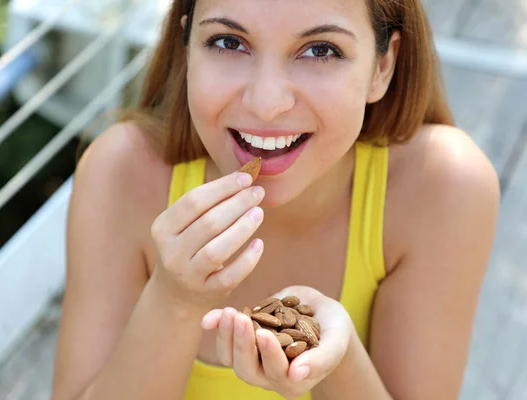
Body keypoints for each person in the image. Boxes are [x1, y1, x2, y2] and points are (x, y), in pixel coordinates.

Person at [50, 0, 500, 398]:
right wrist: (172, 300)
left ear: (382, 67)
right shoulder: (121, 174)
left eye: (321, 50)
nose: (266, 104)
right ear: (187, 48)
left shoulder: (442, 187)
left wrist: (334, 363)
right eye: (228, 41)